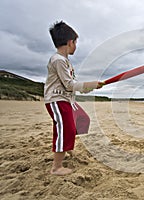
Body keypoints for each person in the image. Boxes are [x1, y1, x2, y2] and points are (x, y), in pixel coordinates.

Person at [44, 21, 103, 175]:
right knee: (64, 129)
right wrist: (90, 84)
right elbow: (69, 85)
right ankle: (56, 167)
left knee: (82, 120)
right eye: (76, 42)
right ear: (70, 43)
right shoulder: (58, 60)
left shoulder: (66, 62)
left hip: (67, 99)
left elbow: (73, 85)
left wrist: (91, 87)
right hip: (56, 100)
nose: (76, 45)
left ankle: (68, 148)